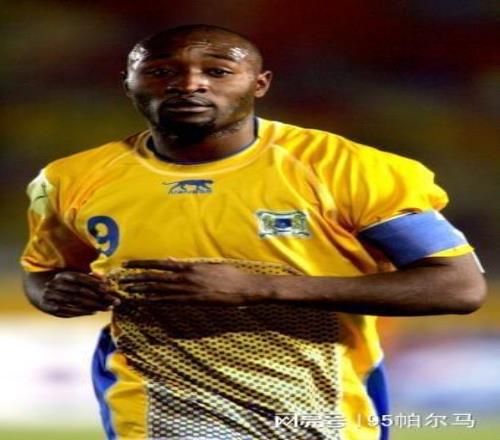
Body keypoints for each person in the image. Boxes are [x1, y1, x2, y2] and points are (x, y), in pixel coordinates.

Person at [21, 24, 486, 440]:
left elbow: (458, 287)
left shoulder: (349, 169)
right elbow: (44, 271)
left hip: (316, 409)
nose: (189, 83)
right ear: (129, 84)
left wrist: (258, 287)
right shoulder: (69, 180)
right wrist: (54, 293)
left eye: (218, 71)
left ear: (259, 84)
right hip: (158, 408)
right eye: (161, 71)